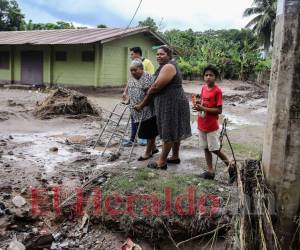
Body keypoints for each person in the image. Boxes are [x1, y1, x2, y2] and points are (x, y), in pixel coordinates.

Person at [135, 45, 191, 169]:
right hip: (171, 102)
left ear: (169, 55)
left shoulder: (169, 66)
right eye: (157, 54)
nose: (158, 56)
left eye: (162, 54)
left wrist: (143, 102)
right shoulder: (164, 66)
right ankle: (175, 156)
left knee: (169, 130)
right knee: (174, 129)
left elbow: (156, 86)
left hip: (171, 104)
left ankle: (162, 161)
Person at [192, 65, 236, 183]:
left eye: (211, 75)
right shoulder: (203, 88)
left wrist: (204, 108)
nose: (208, 77)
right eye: (206, 75)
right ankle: (210, 171)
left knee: (215, 149)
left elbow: (219, 110)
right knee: (205, 148)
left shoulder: (217, 91)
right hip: (202, 123)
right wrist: (198, 106)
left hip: (211, 126)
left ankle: (231, 167)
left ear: (215, 77)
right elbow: (202, 104)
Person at [122, 47, 155, 147]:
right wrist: (126, 92)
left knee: (145, 120)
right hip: (134, 100)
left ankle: (145, 139)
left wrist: (143, 102)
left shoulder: (147, 63)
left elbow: (150, 83)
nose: (130, 56)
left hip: (144, 100)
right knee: (134, 119)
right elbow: (131, 79)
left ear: (137, 54)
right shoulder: (133, 66)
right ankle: (133, 139)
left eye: (132, 54)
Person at [127, 59, 159, 160]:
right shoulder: (132, 78)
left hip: (147, 110)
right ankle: (153, 148)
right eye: (131, 70)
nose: (132, 72)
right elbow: (131, 89)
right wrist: (128, 99)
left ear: (141, 69)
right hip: (136, 110)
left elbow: (150, 94)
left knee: (150, 132)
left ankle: (147, 152)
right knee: (144, 131)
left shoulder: (147, 77)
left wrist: (141, 105)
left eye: (135, 70)